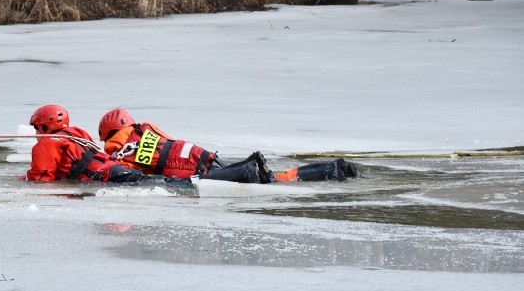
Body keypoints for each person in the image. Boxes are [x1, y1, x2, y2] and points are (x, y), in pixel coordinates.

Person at [97, 107, 358, 183]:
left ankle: (330, 171)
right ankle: (332, 169)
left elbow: (134, 176)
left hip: (193, 172)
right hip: (205, 157)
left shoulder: (119, 151)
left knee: (270, 182)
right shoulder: (145, 129)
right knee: (272, 179)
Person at [25, 104, 167, 184]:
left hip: (104, 177)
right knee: (159, 182)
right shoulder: (77, 133)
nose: (36, 133)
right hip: (114, 169)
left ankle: (188, 182)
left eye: (36, 128)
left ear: (44, 126)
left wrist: (24, 180)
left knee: (157, 184)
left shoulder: (46, 143)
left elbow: (41, 179)